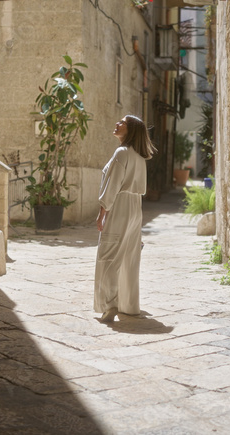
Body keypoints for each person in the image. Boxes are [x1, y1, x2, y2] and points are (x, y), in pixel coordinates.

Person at [94, 115, 156, 323]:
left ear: (131, 131)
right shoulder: (139, 156)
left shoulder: (121, 153)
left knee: (108, 255)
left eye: (122, 123)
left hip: (119, 205)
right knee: (130, 256)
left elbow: (113, 185)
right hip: (135, 208)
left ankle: (110, 305)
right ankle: (129, 305)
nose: (116, 124)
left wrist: (103, 211)